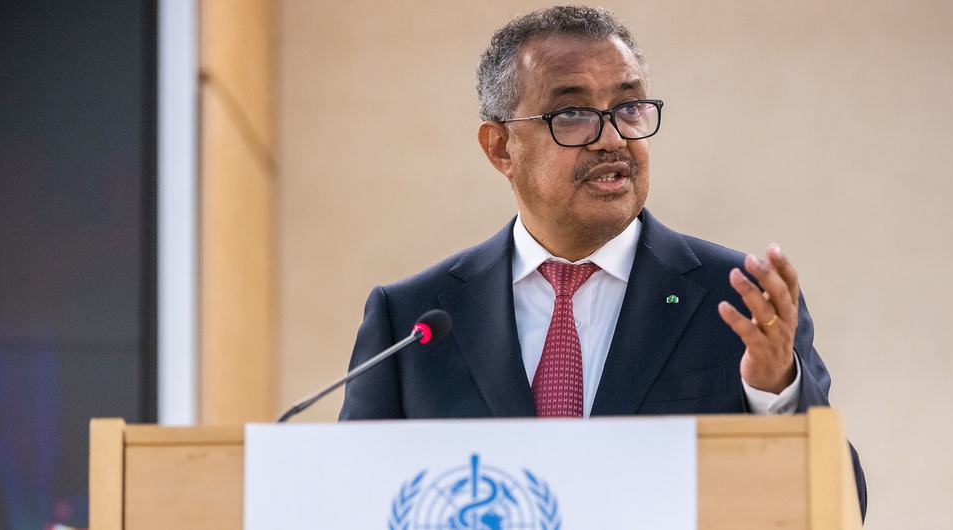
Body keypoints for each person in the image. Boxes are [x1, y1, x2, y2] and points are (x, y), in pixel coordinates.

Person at [339, 5, 866, 517]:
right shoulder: (413, 320)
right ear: (500, 147)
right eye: (572, 114)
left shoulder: (739, 303)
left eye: (630, 108)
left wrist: (774, 393)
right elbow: (345, 500)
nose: (613, 138)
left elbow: (843, 502)